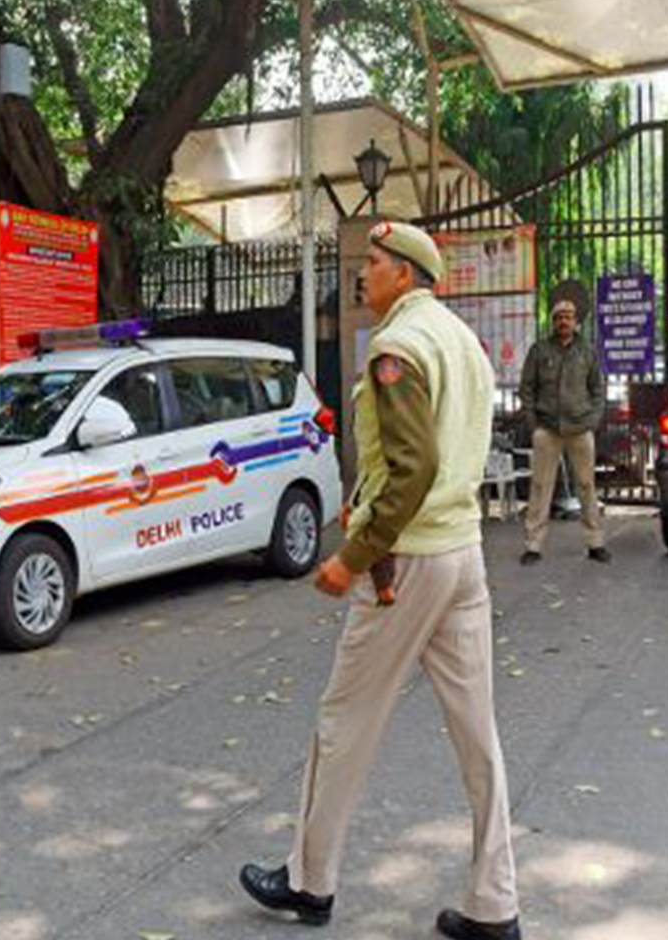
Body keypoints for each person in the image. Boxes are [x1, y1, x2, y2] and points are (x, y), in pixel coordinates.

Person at [239, 221, 523, 940]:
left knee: (343, 722)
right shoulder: (461, 341)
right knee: (479, 737)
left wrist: (355, 554)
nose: (362, 272)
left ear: (404, 274)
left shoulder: (398, 347)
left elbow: (413, 468)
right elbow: (435, 455)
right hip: (463, 554)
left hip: (407, 560)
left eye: (372, 261)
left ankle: (310, 881)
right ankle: (495, 905)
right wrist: (368, 510)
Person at [516, 298, 608, 565]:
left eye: (568, 317)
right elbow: (526, 388)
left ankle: (595, 543)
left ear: (576, 321)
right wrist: (533, 423)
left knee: (586, 485)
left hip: (580, 427)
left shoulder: (587, 351)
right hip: (547, 427)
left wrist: (593, 420)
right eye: (558, 317)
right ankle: (533, 545)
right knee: (540, 486)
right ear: (553, 322)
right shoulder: (539, 351)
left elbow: (598, 389)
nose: (563, 321)